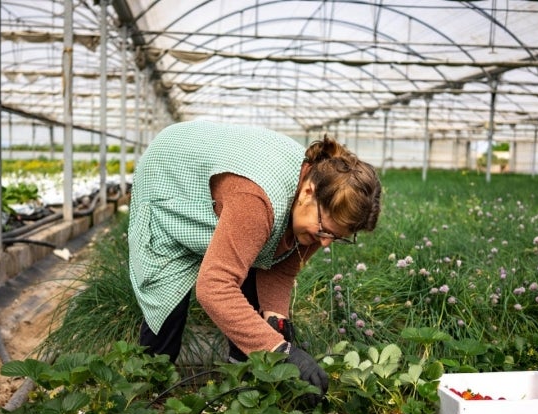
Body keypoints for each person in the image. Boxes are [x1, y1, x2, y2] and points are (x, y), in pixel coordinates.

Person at [127, 120, 381, 396]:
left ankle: (241, 384)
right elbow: (213, 288)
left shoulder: (318, 210)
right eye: (325, 231)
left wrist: (277, 323)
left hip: (240, 197)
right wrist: (281, 351)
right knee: (168, 306)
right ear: (308, 192)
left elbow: (280, 270)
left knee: (252, 278)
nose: (325, 242)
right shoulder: (256, 200)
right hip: (170, 176)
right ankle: (144, 394)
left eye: (337, 236)